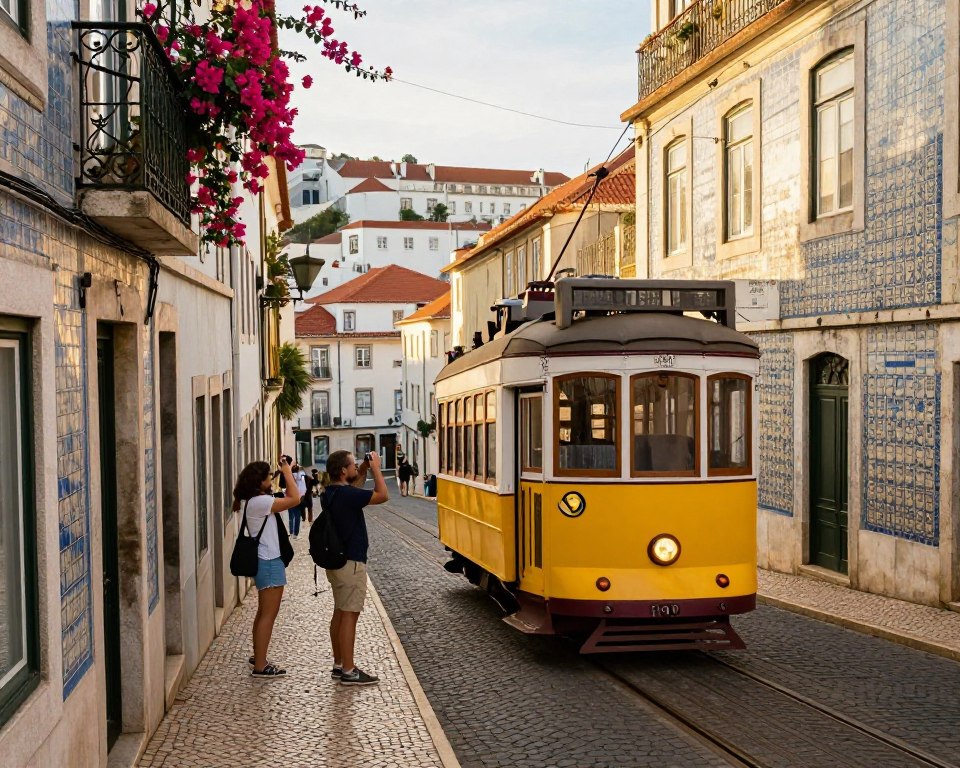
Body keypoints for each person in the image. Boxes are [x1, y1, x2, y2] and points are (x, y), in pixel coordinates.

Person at [322, 449, 388, 685]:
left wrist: (362, 469)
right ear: (342, 471)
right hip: (351, 562)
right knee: (350, 615)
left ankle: (339, 664)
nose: (354, 468)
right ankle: (349, 671)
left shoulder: (330, 492)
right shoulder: (347, 495)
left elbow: (354, 485)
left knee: (340, 612)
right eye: (351, 465)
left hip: (338, 562)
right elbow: (382, 495)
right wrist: (377, 468)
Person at [232, 455, 300, 679]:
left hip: (264, 560)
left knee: (263, 613)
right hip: (269, 561)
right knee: (268, 615)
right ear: (259, 480)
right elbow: (295, 498)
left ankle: (258, 656)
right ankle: (260, 666)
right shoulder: (260, 502)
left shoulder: (251, 500)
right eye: (269, 476)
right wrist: (288, 471)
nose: (271, 478)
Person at [288, 463, 308, 537]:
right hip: (298, 499)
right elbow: (303, 484)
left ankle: (290, 531)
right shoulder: (301, 476)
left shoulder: (289, 476)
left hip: (290, 498)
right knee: (297, 517)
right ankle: (295, 534)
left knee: (291, 516)